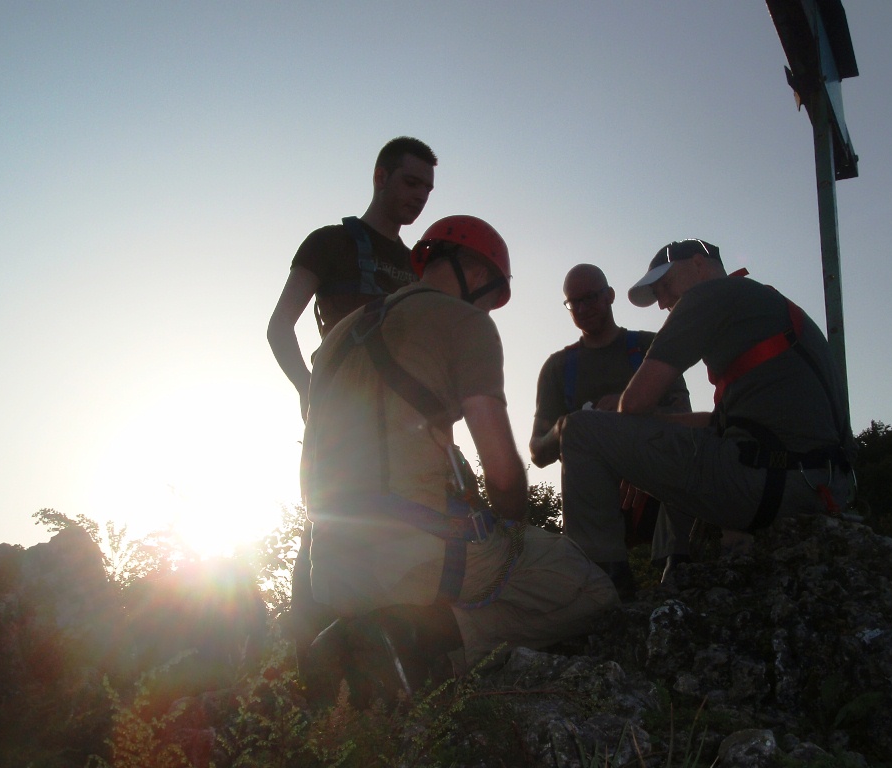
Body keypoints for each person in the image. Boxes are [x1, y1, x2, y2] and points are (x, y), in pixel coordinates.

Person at [299, 216, 619, 709]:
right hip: (416, 559)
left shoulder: (337, 336)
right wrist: (513, 527)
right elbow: (504, 473)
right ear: (476, 272)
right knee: (592, 589)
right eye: (492, 297)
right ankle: (418, 643)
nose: (488, 309)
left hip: (330, 569)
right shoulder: (465, 322)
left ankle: (363, 638)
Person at [559, 238, 856, 568]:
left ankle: (592, 580)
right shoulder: (764, 306)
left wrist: (621, 426)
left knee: (579, 430)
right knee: (684, 443)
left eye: (664, 286)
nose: (663, 303)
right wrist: (637, 441)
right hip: (826, 486)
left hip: (767, 484)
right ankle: (675, 570)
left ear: (698, 264)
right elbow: (718, 423)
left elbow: (634, 403)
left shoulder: (708, 294)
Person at [267, 136, 437, 675]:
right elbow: (279, 327)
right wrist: (307, 390)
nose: (420, 196)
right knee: (329, 529)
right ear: (380, 177)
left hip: (405, 427)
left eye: (428, 189)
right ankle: (312, 676)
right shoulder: (330, 243)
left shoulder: (420, 265)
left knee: (404, 536)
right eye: (411, 182)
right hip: (343, 418)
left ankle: (386, 674)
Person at [529, 264, 692, 594]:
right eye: (574, 302)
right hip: (593, 498)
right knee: (579, 434)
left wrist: (628, 409)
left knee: (690, 449)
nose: (583, 308)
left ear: (610, 296)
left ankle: (678, 566)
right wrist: (567, 427)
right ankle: (605, 582)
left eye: (590, 297)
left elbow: (683, 417)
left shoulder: (649, 348)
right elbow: (537, 451)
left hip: (656, 484)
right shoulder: (558, 368)